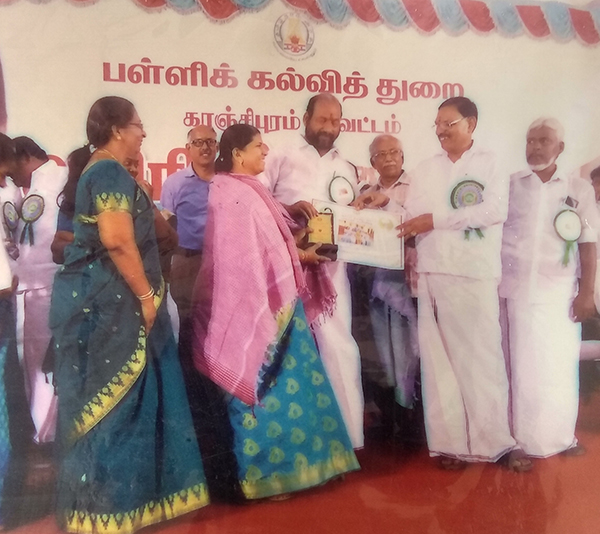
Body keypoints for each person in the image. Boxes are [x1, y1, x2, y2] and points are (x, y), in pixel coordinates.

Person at [49, 96, 209, 534]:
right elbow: (118, 240)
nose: (143, 133)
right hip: (113, 303)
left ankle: (125, 506)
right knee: (120, 405)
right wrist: (145, 296)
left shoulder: (108, 172)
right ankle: (108, 512)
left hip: (109, 302)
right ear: (118, 130)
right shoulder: (108, 172)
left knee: (134, 401)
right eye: (138, 125)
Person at [192, 123, 359, 500]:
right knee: (262, 387)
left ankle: (313, 467)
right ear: (238, 154)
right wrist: (301, 257)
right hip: (254, 309)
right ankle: (269, 477)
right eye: (258, 146)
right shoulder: (232, 192)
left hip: (279, 305)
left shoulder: (251, 190)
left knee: (300, 386)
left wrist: (295, 231)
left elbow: (270, 243)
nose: (265, 151)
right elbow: (246, 256)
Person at [398, 97, 524, 470]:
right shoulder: (425, 169)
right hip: (434, 272)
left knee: (483, 359)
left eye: (448, 123)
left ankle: (497, 443)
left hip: (475, 273)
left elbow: (494, 210)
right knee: (440, 365)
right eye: (437, 124)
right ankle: (450, 446)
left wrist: (435, 220)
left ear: (470, 124)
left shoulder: (492, 162)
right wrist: (381, 204)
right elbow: (409, 216)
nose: (440, 130)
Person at [260, 93, 365, 449]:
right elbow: (257, 202)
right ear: (305, 118)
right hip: (288, 267)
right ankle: (297, 443)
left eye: (335, 121)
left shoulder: (347, 167)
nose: (329, 127)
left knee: (339, 346)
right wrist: (290, 210)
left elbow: (354, 218)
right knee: (288, 349)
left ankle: (348, 439)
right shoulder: (281, 153)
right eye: (322, 119)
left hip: (332, 270)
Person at [500, 118, 598, 458]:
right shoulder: (511, 185)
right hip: (513, 291)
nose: (535, 147)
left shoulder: (578, 189)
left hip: (559, 293)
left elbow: (588, 243)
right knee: (519, 368)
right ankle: (520, 440)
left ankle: (560, 438)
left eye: (544, 141)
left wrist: (587, 293)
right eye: (530, 141)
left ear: (560, 148)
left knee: (558, 365)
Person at [352, 134, 421, 445]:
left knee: (411, 353)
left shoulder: (418, 187)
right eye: (382, 154)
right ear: (373, 162)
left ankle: (413, 424)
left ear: (403, 156)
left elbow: (416, 226)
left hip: (410, 282)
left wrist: (389, 205)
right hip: (377, 284)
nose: (390, 158)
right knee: (383, 356)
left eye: (395, 152)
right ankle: (391, 420)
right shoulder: (364, 193)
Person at [10, 137, 66, 450]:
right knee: (32, 362)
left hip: (48, 285)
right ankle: (42, 431)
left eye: (11, 167)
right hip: (28, 288)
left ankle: (48, 433)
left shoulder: (59, 178)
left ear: (25, 157)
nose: (10, 175)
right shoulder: (28, 188)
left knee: (44, 362)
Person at [160, 125, 217, 334]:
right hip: (187, 262)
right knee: (188, 326)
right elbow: (165, 225)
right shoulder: (175, 183)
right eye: (198, 142)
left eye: (210, 142)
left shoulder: (227, 180)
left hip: (221, 262)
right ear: (188, 148)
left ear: (217, 146)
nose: (205, 148)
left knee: (219, 325)